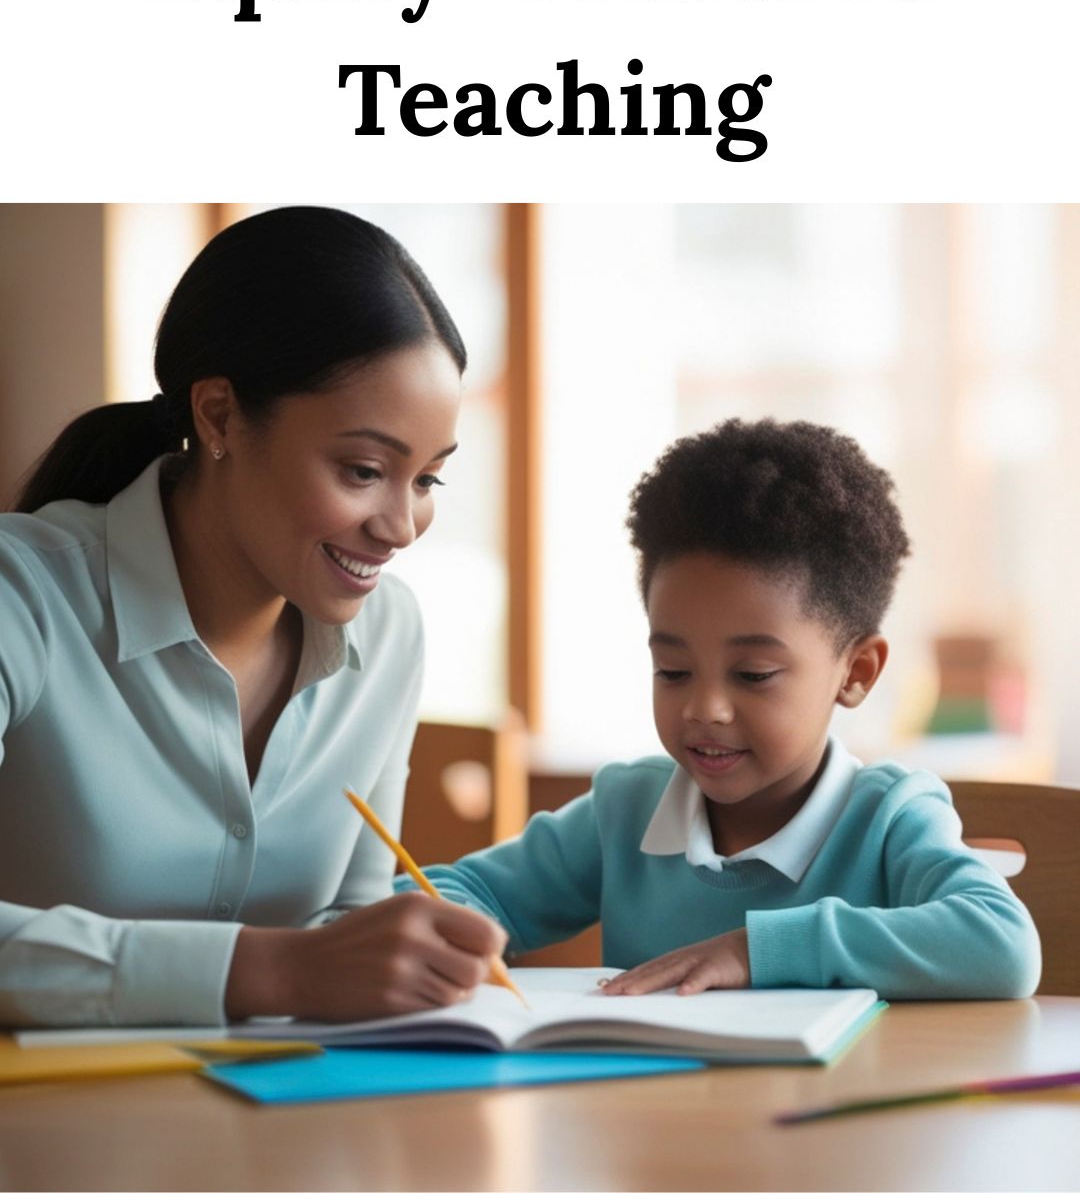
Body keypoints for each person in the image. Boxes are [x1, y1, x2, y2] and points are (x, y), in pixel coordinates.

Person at [0, 206, 506, 1028]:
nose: (401, 525)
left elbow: (350, 916)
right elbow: (300, 967)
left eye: (428, 480)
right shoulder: (21, 595)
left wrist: (403, 966)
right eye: (364, 469)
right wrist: (267, 970)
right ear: (220, 416)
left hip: (280, 1130)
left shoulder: (388, 636)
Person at [399, 419, 1041, 999]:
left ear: (856, 672)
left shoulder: (889, 818)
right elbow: (449, 892)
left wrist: (752, 950)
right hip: (663, 1121)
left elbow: (1001, 946)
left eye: (753, 675)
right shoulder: (626, 813)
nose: (705, 708)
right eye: (672, 670)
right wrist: (440, 933)